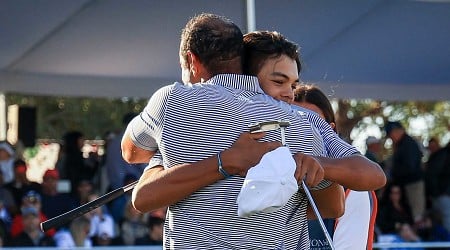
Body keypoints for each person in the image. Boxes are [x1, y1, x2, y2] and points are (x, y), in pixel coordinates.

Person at [121, 13, 386, 249]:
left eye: (293, 84)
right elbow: (338, 202)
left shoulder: (173, 102)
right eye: (278, 80)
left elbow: (131, 154)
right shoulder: (304, 122)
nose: (289, 94)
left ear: (191, 60)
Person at [293, 83, 378, 250]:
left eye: (313, 123)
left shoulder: (352, 188)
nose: (302, 131)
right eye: (293, 122)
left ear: (329, 130)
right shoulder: (267, 174)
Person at [385, 121, 426, 224]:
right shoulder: (402, 144)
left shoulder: (408, 144)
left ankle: (419, 237)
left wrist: (394, 174)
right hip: (407, 183)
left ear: (398, 131)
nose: (391, 137)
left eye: (391, 133)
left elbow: (410, 167)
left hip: (413, 184)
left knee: (417, 215)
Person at [103, 112, 146, 192]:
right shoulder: (136, 141)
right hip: (133, 190)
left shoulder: (113, 143)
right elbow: (146, 168)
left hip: (114, 190)